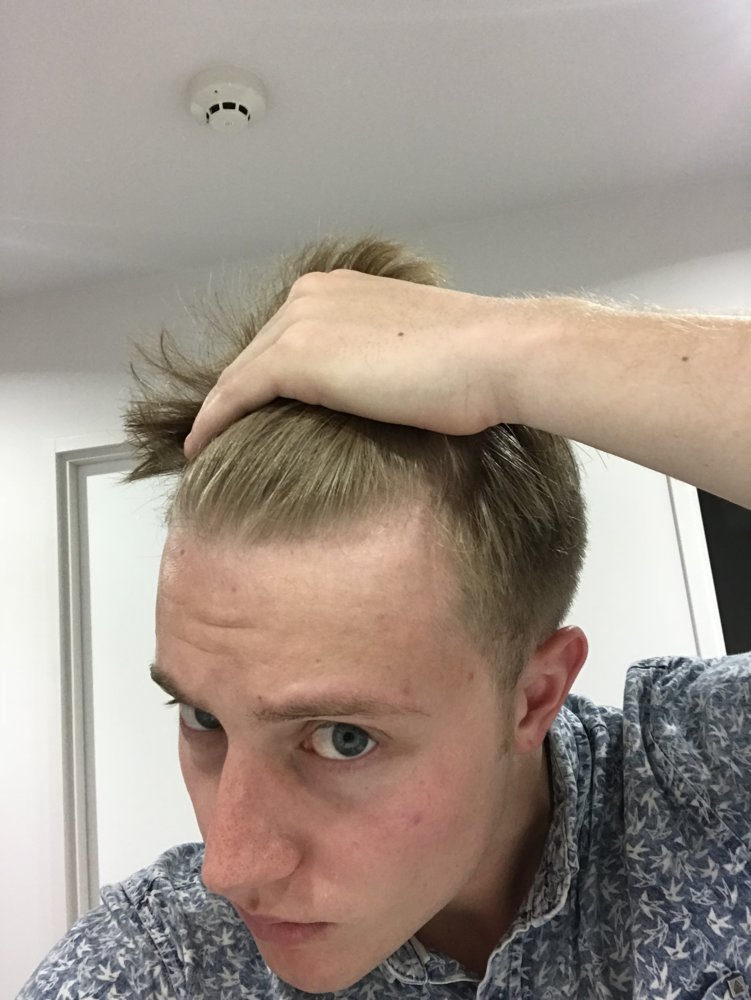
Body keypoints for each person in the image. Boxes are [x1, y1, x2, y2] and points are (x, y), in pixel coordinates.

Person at [18, 234, 751, 999]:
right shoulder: (165, 963)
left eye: (343, 738)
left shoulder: (703, 782)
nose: (228, 866)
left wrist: (513, 351)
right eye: (203, 718)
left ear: (533, 697)